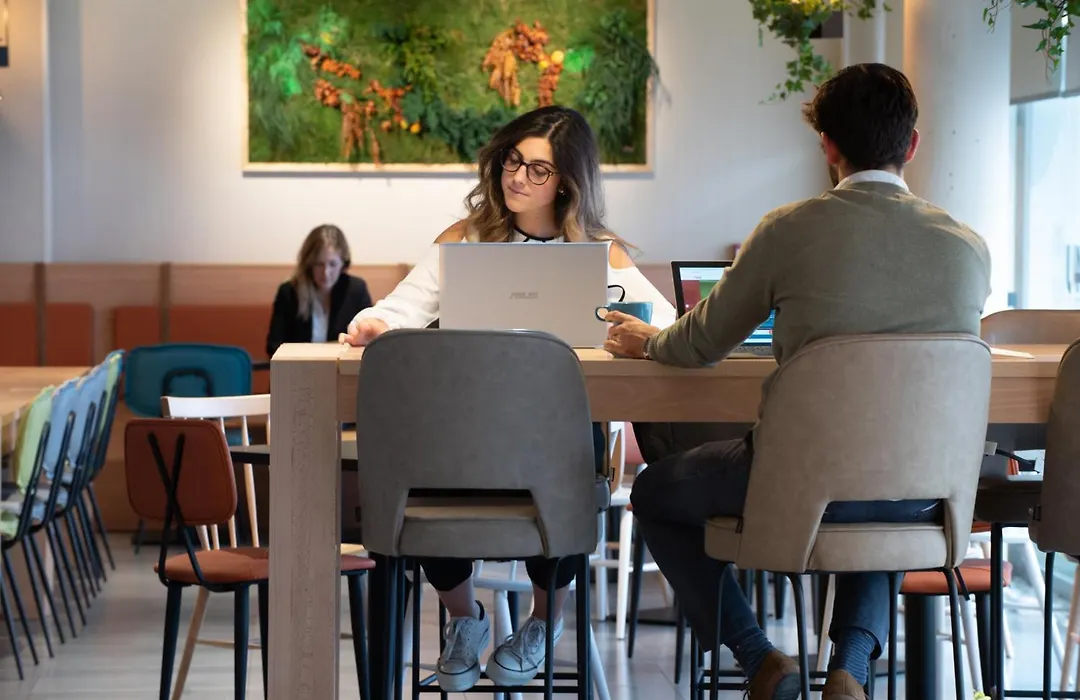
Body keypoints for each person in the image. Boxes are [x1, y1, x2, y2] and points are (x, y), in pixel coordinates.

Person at [603, 63, 991, 700]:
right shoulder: (967, 246)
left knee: (652, 491)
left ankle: (759, 657)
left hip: (796, 483)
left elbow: (700, 343)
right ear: (913, 144)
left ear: (827, 146)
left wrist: (649, 340)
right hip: (922, 495)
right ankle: (852, 671)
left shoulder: (787, 229)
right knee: (886, 470)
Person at [340, 105, 676, 691]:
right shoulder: (464, 239)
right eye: (512, 161)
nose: (518, 177)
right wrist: (373, 324)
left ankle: (543, 624)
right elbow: (398, 309)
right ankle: (464, 618)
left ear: (567, 182)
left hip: (551, 444)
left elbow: (667, 326)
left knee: (564, 460)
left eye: (538, 170)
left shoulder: (598, 252)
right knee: (418, 464)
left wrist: (637, 333)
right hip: (463, 436)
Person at [266, 224, 372, 358]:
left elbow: (369, 343)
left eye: (332, 264)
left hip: (342, 368)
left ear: (343, 263)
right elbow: (273, 346)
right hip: (298, 368)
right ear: (309, 264)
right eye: (318, 264)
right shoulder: (289, 292)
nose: (326, 273)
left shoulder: (356, 290)